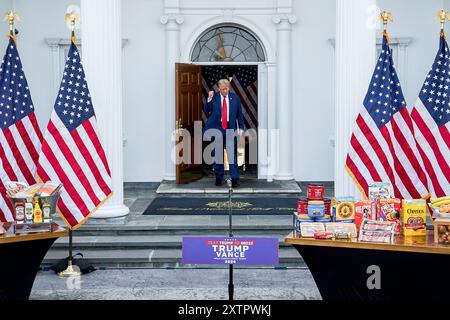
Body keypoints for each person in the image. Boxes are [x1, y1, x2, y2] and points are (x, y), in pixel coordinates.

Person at [203, 79, 244, 187]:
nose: (224, 91)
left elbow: (239, 113)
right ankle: (219, 177)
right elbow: (206, 110)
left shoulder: (235, 98)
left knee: (231, 154)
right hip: (217, 128)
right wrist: (209, 99)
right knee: (218, 154)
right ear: (218, 88)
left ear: (229, 87)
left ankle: (234, 179)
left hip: (230, 128)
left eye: (226, 89)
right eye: (222, 89)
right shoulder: (215, 97)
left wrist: (240, 127)